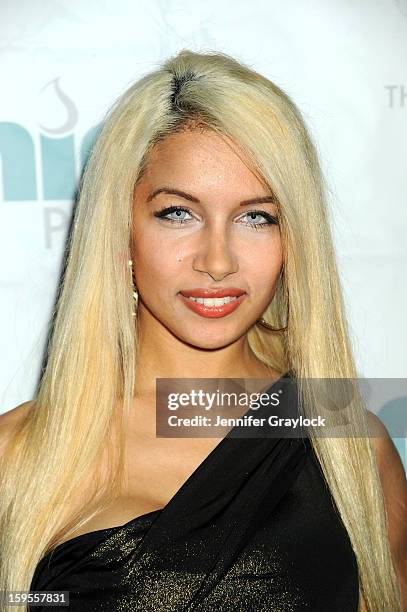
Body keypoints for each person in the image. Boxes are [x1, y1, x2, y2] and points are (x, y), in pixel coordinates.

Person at [0, 49, 406, 611]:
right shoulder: (18, 455)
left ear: (294, 242)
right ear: (121, 231)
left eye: (256, 217)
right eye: (177, 213)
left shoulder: (350, 449)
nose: (217, 260)